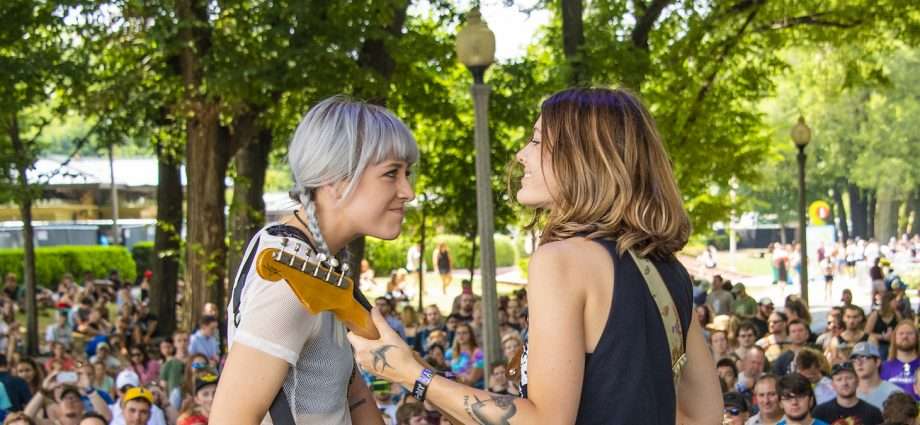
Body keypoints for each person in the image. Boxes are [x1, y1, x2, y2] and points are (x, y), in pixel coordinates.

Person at [349, 87, 722, 423]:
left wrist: (411, 374)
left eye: (537, 140)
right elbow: (703, 416)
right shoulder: (668, 270)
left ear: (584, 159)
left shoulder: (562, 260)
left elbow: (545, 421)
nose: (521, 154)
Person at [212, 96, 417, 424]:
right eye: (391, 174)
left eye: (407, 173)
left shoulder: (317, 260)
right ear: (335, 181)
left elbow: (350, 394)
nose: (408, 191)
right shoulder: (286, 280)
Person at [812, 362, 883, 425]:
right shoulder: (820, 413)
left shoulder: (873, 413)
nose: (844, 383)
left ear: (857, 381)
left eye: (849, 378)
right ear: (833, 384)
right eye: (839, 379)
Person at [851, 341, 904, 409]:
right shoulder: (847, 393)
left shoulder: (894, 393)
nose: (859, 363)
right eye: (855, 359)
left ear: (877, 362)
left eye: (864, 357)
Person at [880, 319, 920, 399]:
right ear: (894, 338)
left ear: (917, 338)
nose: (905, 336)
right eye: (901, 334)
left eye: (910, 333)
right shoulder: (882, 368)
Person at [866, 291, 902, 360]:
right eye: (895, 301)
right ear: (888, 302)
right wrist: (883, 337)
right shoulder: (875, 315)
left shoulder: (897, 315)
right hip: (878, 343)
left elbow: (902, 329)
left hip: (893, 343)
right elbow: (867, 333)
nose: (897, 303)